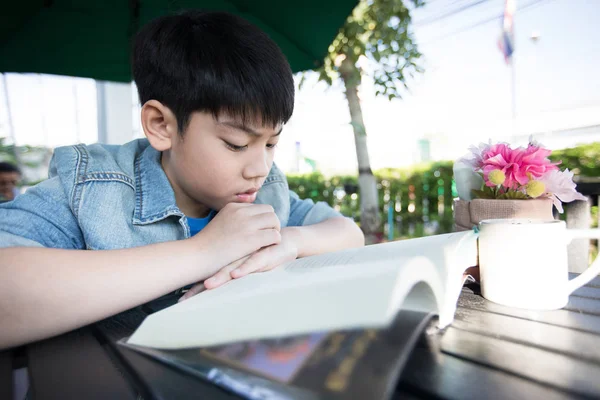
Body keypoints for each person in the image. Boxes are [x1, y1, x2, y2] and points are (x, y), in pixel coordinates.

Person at [0, 11, 364, 350]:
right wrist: (204, 252)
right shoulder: (92, 188)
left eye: (271, 143)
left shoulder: (267, 192)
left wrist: (291, 240)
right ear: (161, 125)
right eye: (236, 144)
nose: (260, 167)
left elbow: (349, 233)